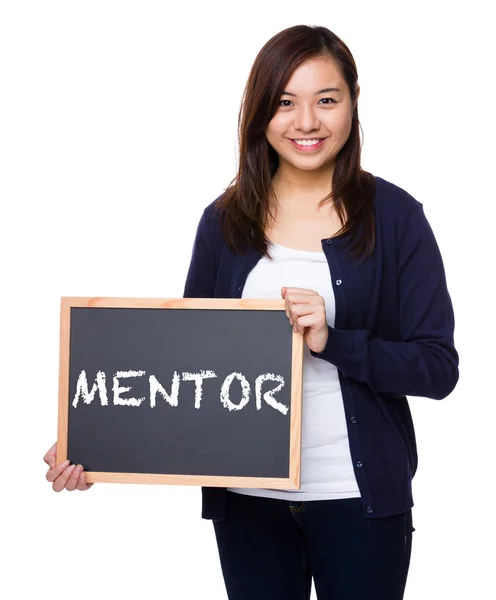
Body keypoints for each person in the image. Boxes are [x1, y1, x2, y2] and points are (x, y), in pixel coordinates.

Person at [44, 24, 459, 600]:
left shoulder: (396, 217)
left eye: (326, 100)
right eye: (285, 102)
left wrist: (334, 341)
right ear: (261, 110)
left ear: (354, 103)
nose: (306, 122)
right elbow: (181, 370)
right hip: (248, 507)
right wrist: (97, 442)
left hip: (359, 502)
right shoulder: (224, 222)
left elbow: (438, 367)